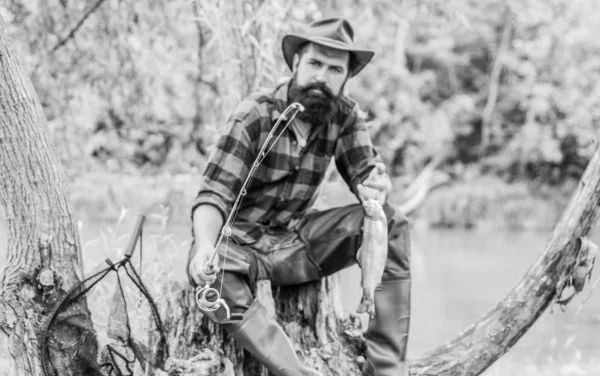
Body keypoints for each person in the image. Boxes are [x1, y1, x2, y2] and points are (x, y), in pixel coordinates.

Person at [187, 17, 411, 376]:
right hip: (241, 246)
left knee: (392, 222)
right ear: (295, 64)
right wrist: (203, 246)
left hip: (297, 244)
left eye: (335, 68)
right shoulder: (255, 113)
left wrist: (375, 183)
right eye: (315, 64)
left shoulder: (345, 116)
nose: (323, 76)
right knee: (210, 279)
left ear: (346, 77)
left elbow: (366, 170)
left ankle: (386, 369)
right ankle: (296, 372)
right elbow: (213, 194)